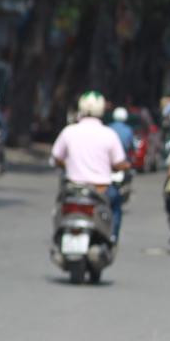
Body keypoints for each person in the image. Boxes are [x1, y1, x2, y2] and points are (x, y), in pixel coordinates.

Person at [51, 92, 131, 244]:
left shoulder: (69, 131)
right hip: (101, 189)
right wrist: (124, 166)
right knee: (116, 207)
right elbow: (119, 162)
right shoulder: (109, 134)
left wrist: (67, 166)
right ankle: (112, 236)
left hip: (72, 188)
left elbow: (56, 158)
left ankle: (58, 234)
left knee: (59, 206)